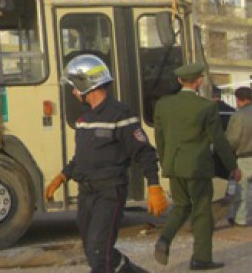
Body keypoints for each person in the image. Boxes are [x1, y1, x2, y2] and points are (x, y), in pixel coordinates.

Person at [44, 54, 166, 273]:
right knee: (93, 251)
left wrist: (154, 186)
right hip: (86, 193)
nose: (72, 92)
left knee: (100, 253)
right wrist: (62, 176)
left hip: (109, 192)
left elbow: (145, 153)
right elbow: (81, 158)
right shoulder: (84, 118)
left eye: (73, 86)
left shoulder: (120, 114)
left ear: (85, 84)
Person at [153, 63, 241, 271]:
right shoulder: (206, 107)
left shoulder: (163, 105)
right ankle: (201, 258)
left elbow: (160, 136)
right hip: (197, 167)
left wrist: (166, 161)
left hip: (174, 166)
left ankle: (164, 239)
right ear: (199, 81)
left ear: (179, 81)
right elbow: (218, 140)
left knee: (181, 206)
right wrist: (232, 166)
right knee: (201, 210)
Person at [225, 86, 252, 227]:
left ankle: (240, 219)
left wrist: (228, 154)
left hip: (245, 156)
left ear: (238, 99)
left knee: (242, 189)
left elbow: (233, 139)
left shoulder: (238, 116)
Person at [211, 87, 235, 181]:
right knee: (224, 174)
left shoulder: (208, 109)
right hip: (227, 144)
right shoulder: (231, 110)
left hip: (211, 145)